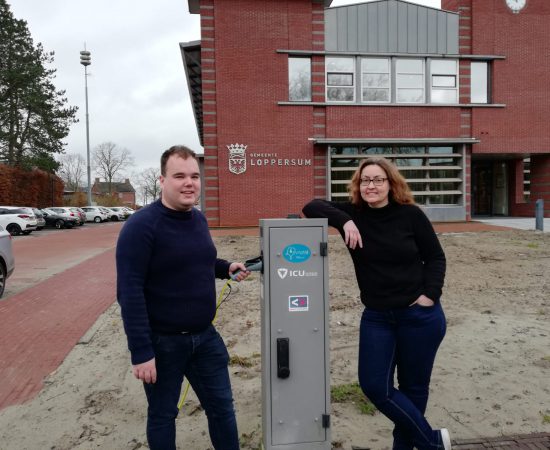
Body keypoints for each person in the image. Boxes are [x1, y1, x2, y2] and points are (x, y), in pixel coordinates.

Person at [302, 156, 450, 450]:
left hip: (419, 316)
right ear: (358, 185)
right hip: (378, 317)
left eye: (378, 180)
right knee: (373, 385)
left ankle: (405, 446)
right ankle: (431, 441)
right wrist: (345, 221)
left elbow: (435, 257)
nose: (371, 185)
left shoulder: (411, 215)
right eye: (365, 180)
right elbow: (311, 206)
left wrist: (429, 295)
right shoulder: (353, 213)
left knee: (413, 388)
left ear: (390, 183)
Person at [116, 145, 250, 450]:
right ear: (162, 180)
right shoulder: (140, 227)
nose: (189, 182)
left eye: (194, 176)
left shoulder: (198, 220)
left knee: (222, 409)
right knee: (163, 415)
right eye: (179, 176)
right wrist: (141, 351)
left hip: (205, 339)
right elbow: (129, 291)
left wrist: (226, 267)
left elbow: (200, 261)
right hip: (163, 344)